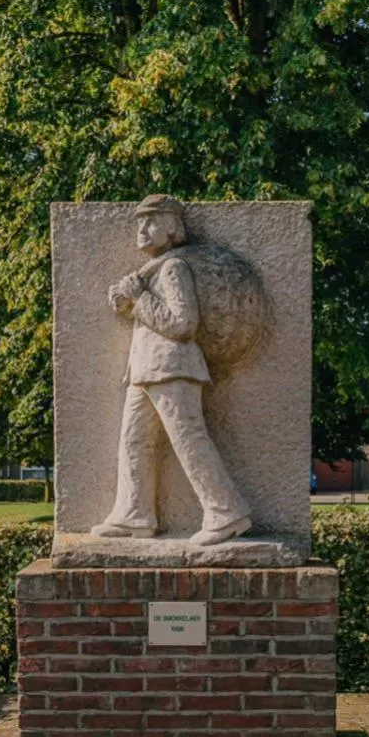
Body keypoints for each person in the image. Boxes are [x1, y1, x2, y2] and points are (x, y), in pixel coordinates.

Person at [92, 195, 253, 546]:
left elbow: (182, 325)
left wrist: (141, 298)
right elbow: (152, 319)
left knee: (188, 438)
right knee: (135, 442)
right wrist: (130, 303)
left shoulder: (172, 269)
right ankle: (134, 515)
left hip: (173, 367)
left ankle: (226, 511)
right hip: (146, 370)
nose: (143, 230)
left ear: (172, 227)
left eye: (152, 221)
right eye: (139, 223)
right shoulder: (153, 271)